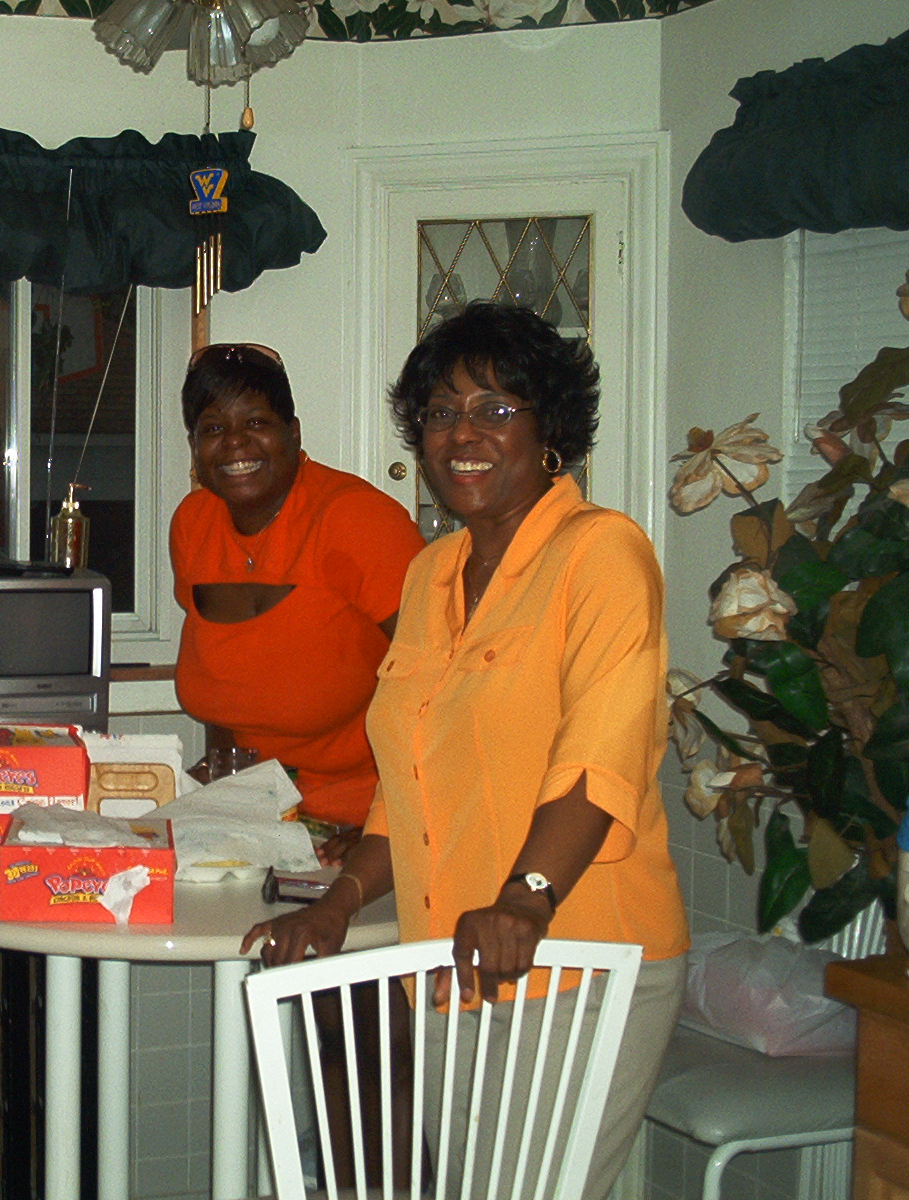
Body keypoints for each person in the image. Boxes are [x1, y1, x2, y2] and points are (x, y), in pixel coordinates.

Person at [245, 301, 688, 1200]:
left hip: (572, 952)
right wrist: (337, 903)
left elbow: (601, 755)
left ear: (551, 428)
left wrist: (524, 899)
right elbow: (409, 788)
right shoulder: (429, 574)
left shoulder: (602, 553)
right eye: (442, 413)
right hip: (454, 964)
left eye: (496, 409)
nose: (463, 435)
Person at [170, 342, 425, 841]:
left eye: (257, 423)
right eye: (213, 428)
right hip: (253, 816)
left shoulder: (356, 521)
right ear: (195, 446)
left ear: (293, 432)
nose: (235, 444)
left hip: (367, 819)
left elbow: (444, 682)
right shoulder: (193, 524)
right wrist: (227, 779)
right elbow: (230, 679)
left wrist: (388, 826)